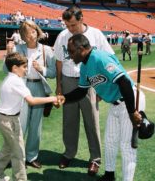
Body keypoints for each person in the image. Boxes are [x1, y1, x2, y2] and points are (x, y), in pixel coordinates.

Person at [62, 34, 145, 181]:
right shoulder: (84, 67)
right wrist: (64, 98)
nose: (70, 55)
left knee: (127, 146)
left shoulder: (99, 57)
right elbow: (81, 91)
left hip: (129, 99)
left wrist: (132, 112)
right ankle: (109, 175)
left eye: (71, 51)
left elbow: (124, 82)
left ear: (81, 49)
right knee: (110, 140)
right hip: (115, 104)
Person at [53, 5, 114, 175]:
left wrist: (101, 86)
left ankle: (95, 158)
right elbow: (59, 61)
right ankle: (68, 153)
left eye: (73, 25)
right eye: (67, 25)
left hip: (90, 82)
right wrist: (59, 85)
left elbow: (108, 58)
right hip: (68, 80)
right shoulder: (63, 36)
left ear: (81, 19)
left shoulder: (95, 34)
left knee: (91, 121)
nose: (70, 29)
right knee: (69, 121)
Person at [0, 52, 59, 181]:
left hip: (8, 119)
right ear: (15, 68)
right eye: (24, 66)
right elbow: (31, 100)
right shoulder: (16, 81)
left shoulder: (10, 78)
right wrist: (52, 98)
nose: (27, 69)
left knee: (8, 148)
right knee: (19, 153)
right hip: (8, 121)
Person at [3, 20, 56, 169]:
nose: (30, 35)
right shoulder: (18, 48)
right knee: (19, 125)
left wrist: (42, 69)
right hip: (21, 88)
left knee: (35, 126)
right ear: (23, 36)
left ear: (37, 32)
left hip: (39, 87)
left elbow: (52, 73)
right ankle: (14, 156)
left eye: (32, 31)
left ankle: (31, 157)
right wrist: (8, 53)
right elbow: (5, 70)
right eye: (26, 33)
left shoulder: (47, 50)